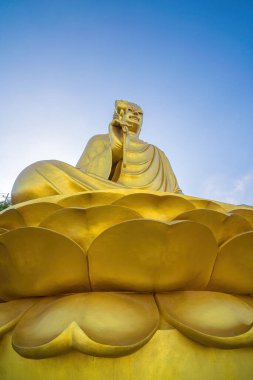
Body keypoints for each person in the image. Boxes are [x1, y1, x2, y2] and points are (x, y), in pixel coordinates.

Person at [11, 100, 182, 204]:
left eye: (140, 113)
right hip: (108, 193)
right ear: (119, 113)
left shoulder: (157, 152)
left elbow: (176, 194)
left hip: (153, 202)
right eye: (131, 111)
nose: (136, 115)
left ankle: (143, 204)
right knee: (34, 175)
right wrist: (116, 145)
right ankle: (139, 204)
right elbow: (82, 175)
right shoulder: (101, 139)